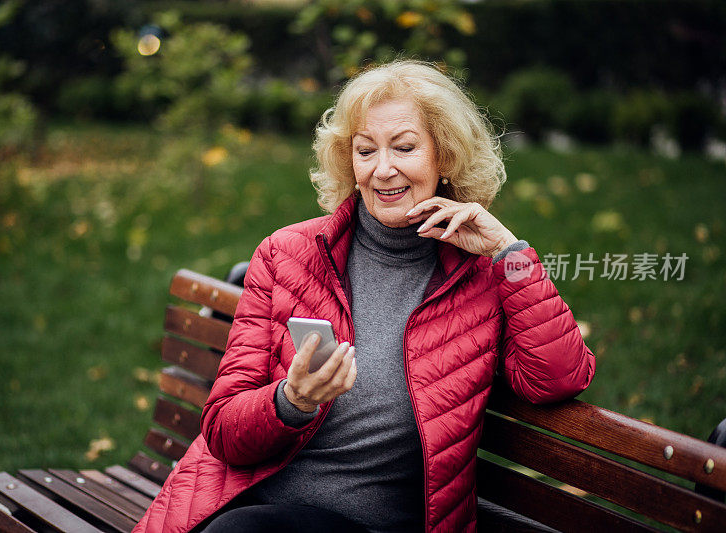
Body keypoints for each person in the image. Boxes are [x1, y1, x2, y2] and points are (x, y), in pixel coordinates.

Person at [133, 60, 595, 533]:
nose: (383, 169)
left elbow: (558, 379)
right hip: (253, 508)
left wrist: (508, 252)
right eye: (365, 150)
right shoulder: (286, 254)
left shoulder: (484, 276)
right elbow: (224, 432)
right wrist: (290, 401)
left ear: (446, 157)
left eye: (405, 147)